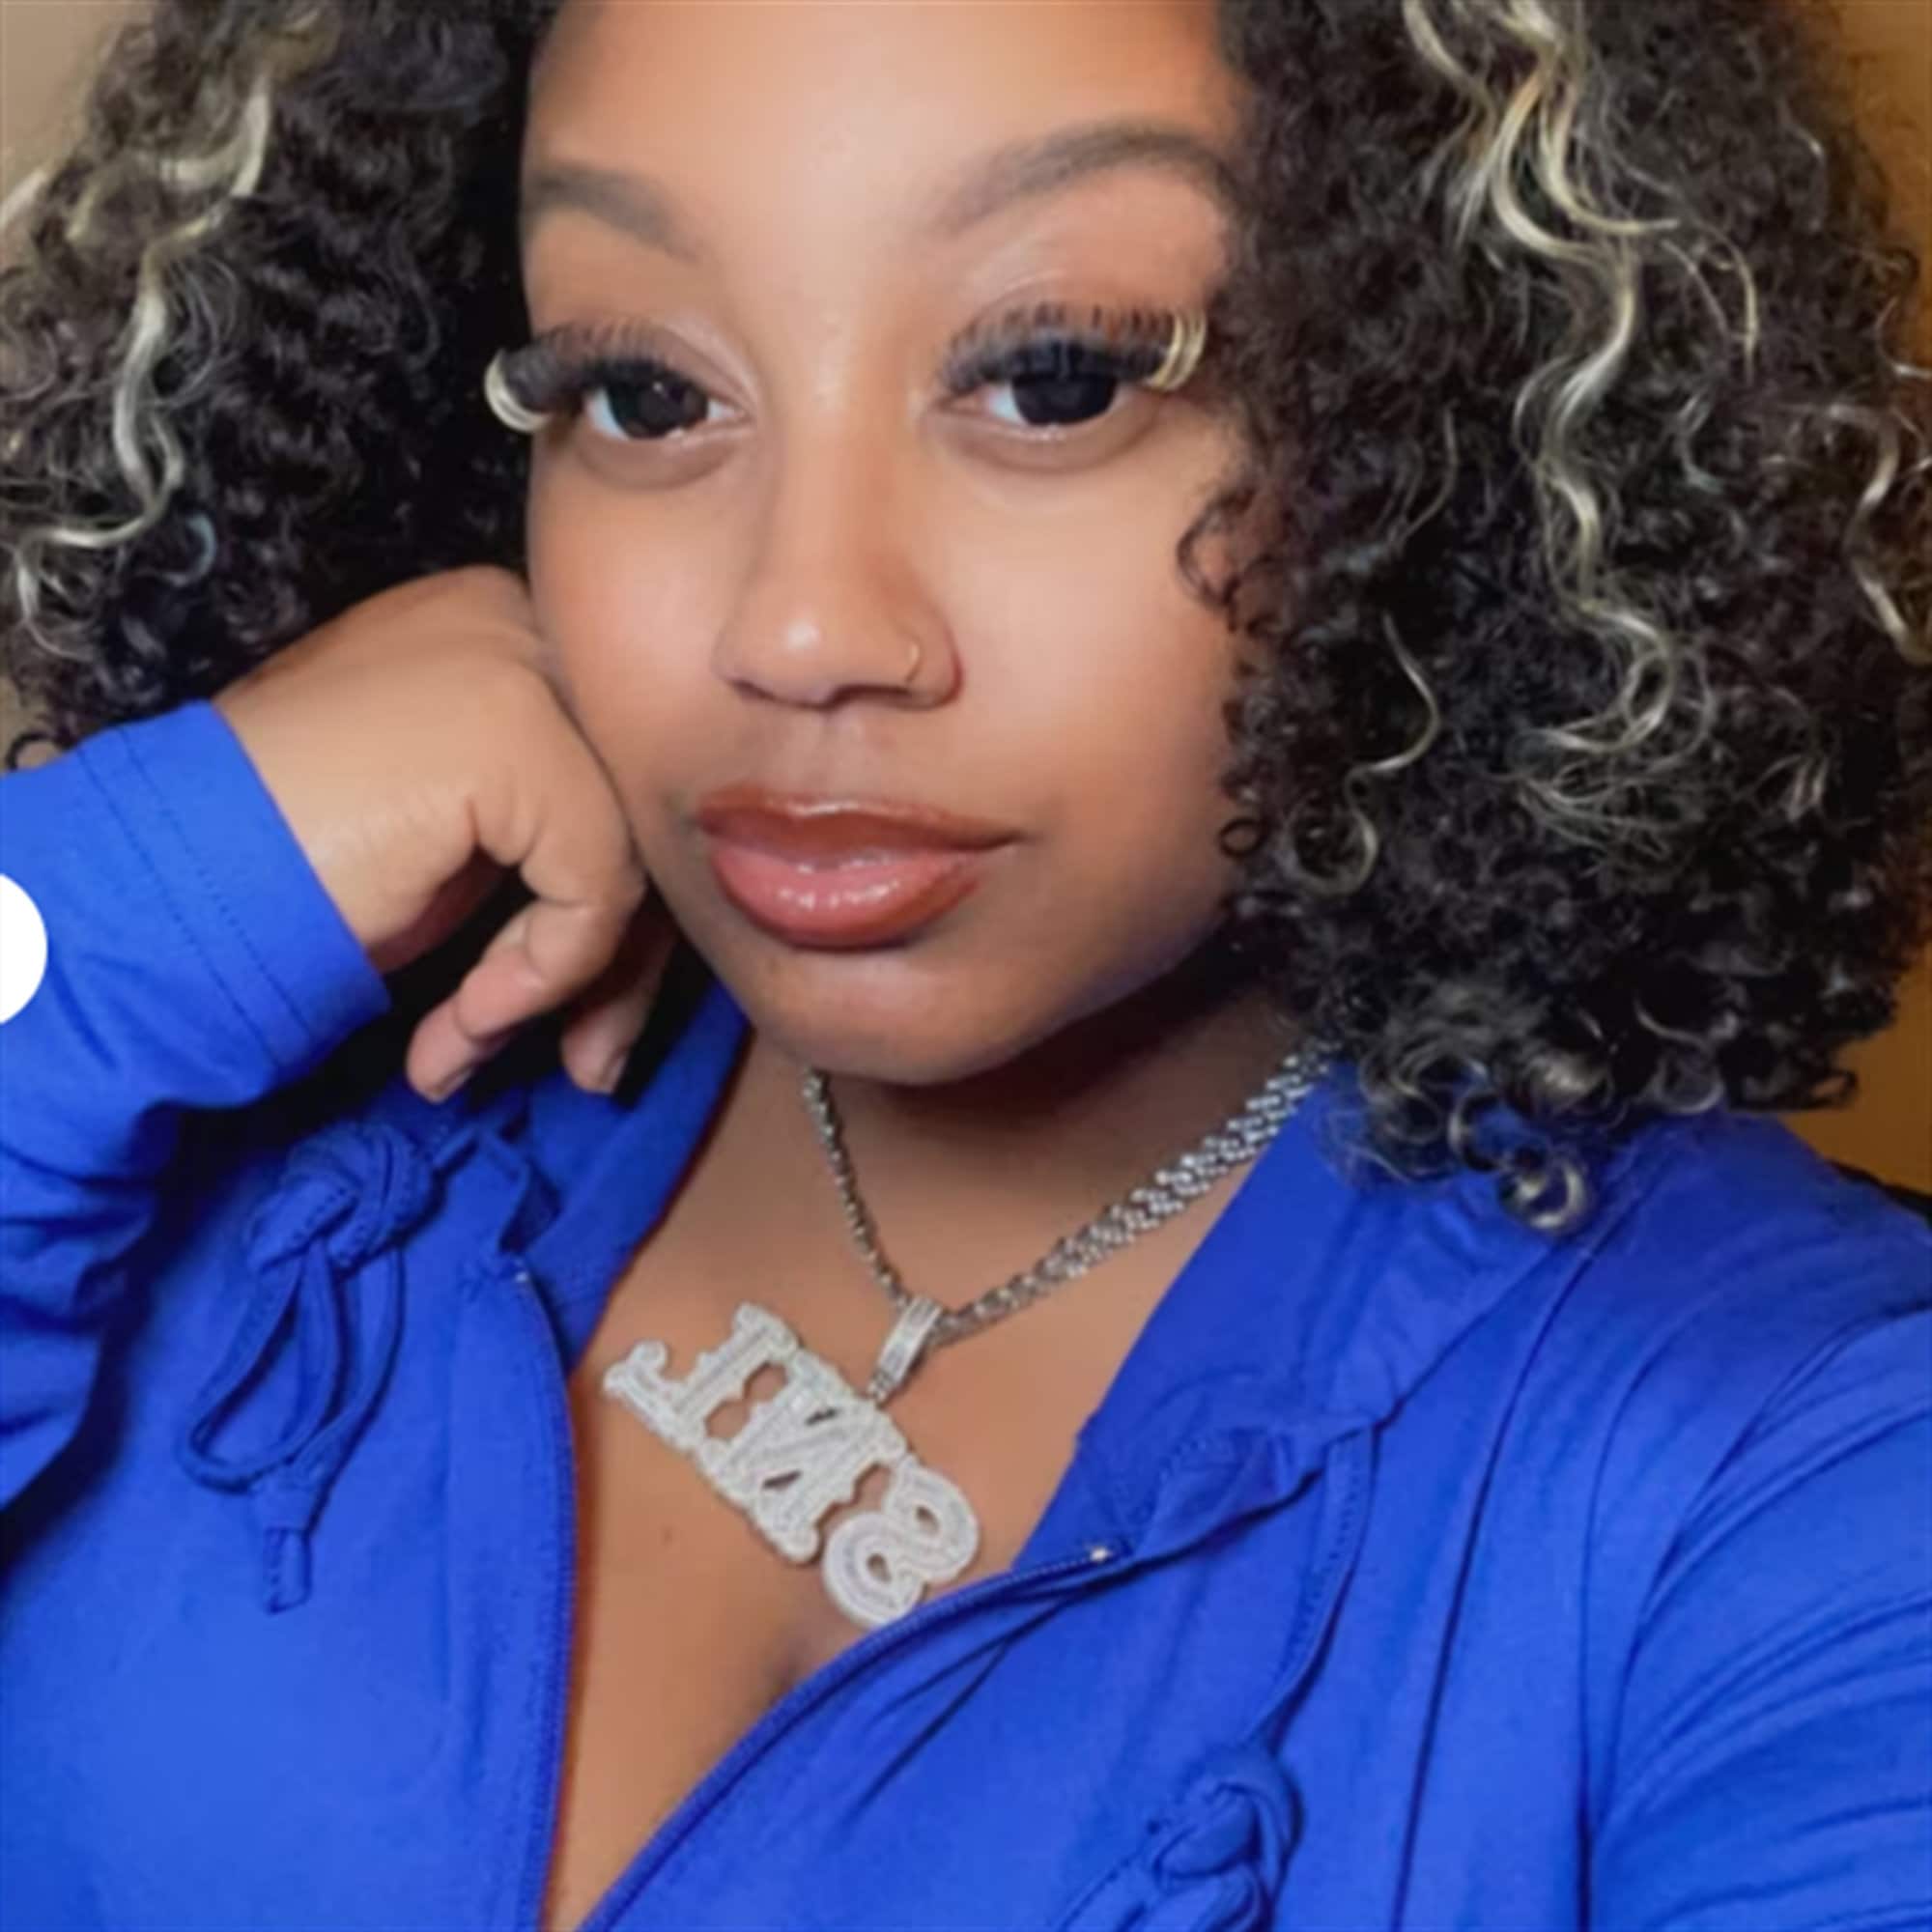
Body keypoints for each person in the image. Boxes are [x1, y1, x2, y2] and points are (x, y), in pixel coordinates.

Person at [1, 0, 1927, 1926]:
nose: (800, 627)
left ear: (1450, 399)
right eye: (645, 394)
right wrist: (142, 900)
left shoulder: (1793, 1470)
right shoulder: (236, 1032)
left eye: (1055, 379)